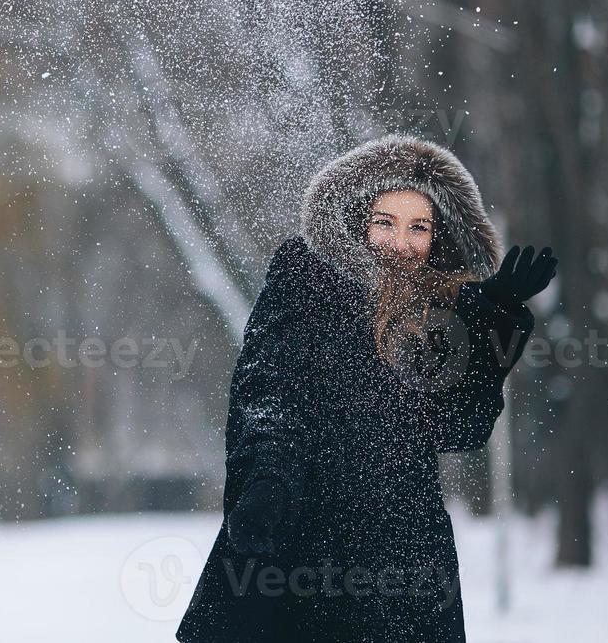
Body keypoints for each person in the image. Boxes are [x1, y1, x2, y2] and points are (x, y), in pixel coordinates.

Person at [176, 133, 557, 643]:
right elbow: (266, 392)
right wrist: (266, 479)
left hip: (406, 557)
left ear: (437, 238)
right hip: (302, 537)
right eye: (386, 222)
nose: (401, 243)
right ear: (358, 220)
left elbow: (459, 427)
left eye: (418, 228)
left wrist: (493, 319)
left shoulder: (443, 317)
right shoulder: (305, 280)